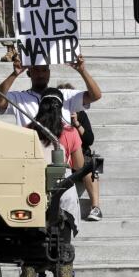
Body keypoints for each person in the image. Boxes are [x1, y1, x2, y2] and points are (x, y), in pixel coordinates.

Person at [16, 88, 84, 277]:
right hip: (63, 193)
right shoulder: (70, 132)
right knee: (63, 245)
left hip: (33, 193)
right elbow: (79, 166)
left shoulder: (27, 132)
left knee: (31, 244)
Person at [0, 52, 102, 126]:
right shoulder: (19, 98)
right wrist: (14, 74)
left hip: (59, 156)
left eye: (44, 70)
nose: (41, 74)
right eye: (37, 70)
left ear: (49, 72)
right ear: (29, 73)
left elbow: (95, 96)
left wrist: (82, 71)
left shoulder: (64, 95)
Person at [59, 82, 102, 222]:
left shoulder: (80, 113)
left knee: (90, 167)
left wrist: (77, 123)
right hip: (60, 156)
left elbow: (89, 139)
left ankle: (96, 207)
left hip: (79, 156)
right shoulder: (52, 114)